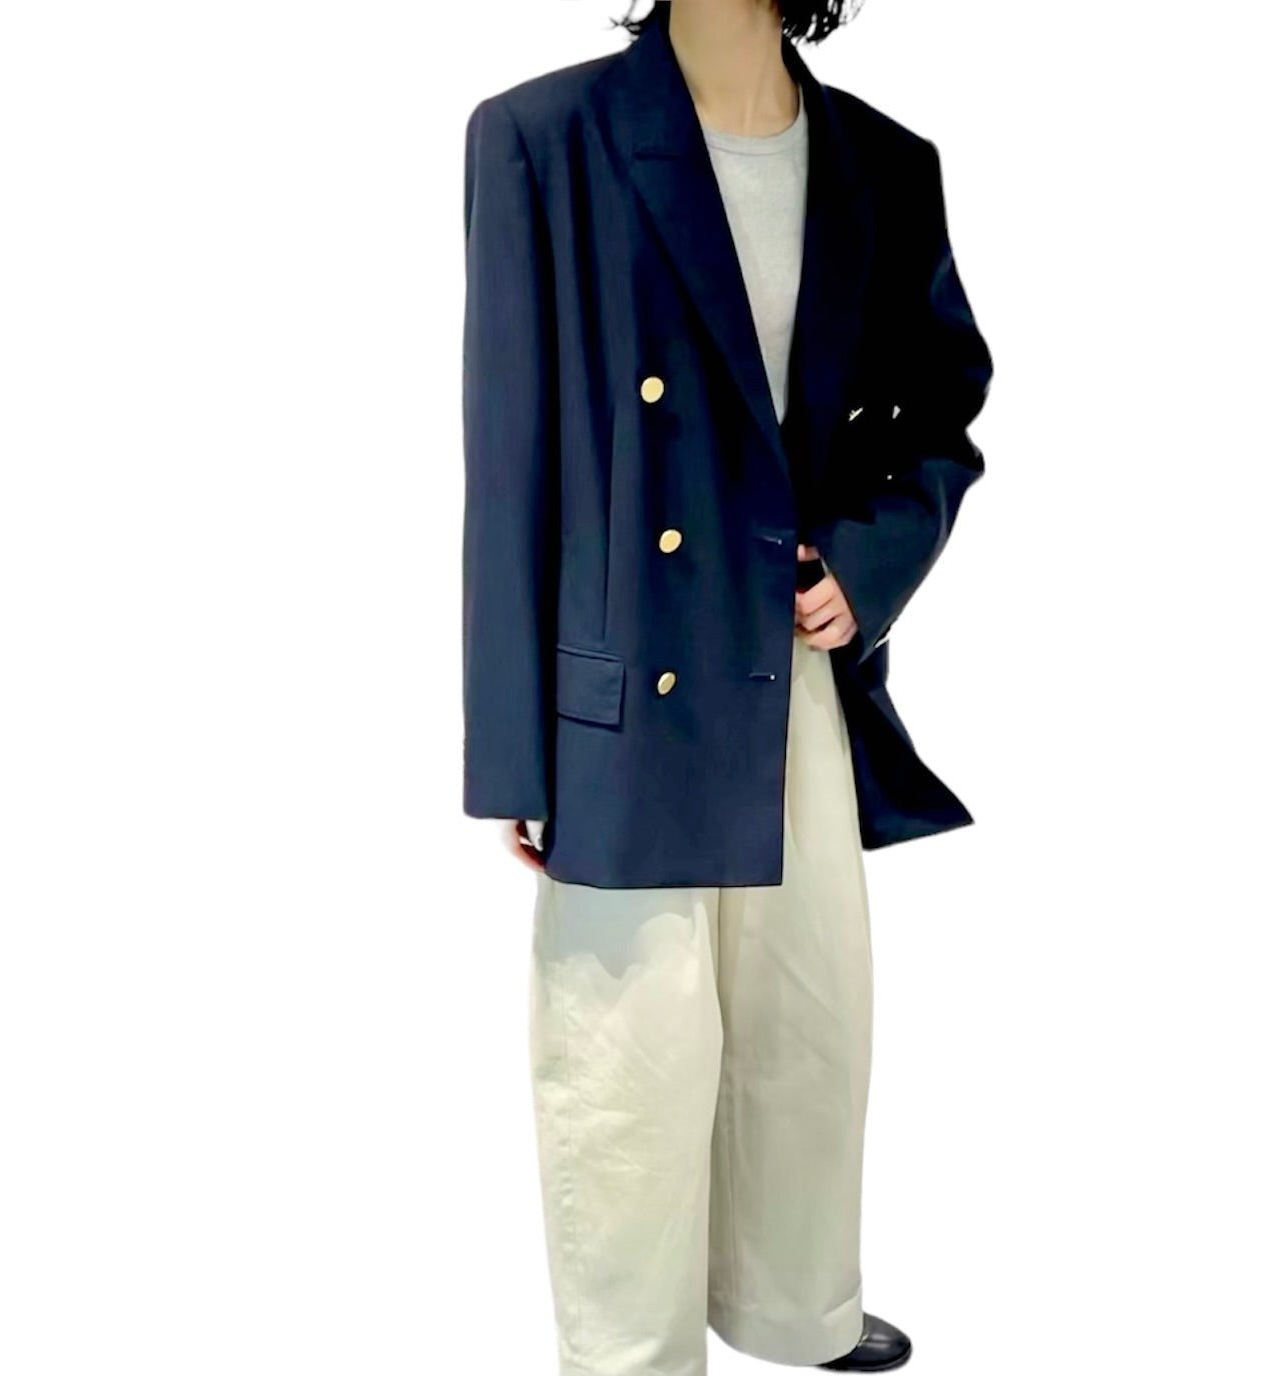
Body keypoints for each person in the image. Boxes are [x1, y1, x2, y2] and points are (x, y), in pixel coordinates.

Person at [460, 1, 993, 1371]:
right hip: (626, 692)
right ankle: (632, 1353)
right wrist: (515, 748)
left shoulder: (884, 162)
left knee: (810, 1015)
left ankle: (793, 1306)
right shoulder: (543, 138)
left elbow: (939, 414)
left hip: (791, 661)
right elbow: (510, 462)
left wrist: (866, 565)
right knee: (626, 1051)